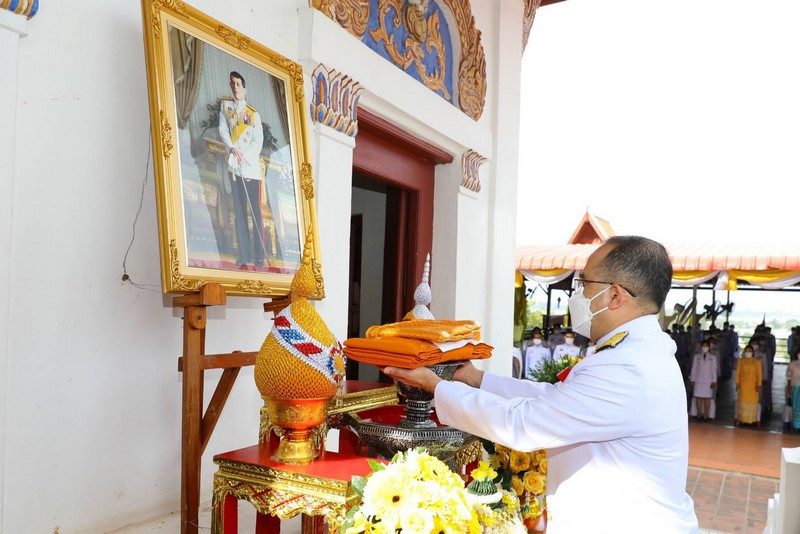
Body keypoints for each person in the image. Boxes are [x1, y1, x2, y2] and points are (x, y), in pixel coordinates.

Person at [385, 236, 698, 532]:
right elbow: (556, 399)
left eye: (584, 284)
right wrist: (475, 379)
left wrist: (434, 385)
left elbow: (524, 424)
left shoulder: (626, 367)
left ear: (615, 296)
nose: (577, 295)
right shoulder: (637, 352)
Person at [218, 71, 266, 267]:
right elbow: (223, 129)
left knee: (254, 212)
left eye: (238, 84)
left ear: (244, 89)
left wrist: (244, 157)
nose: (235, 87)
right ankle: (245, 255)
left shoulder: (253, 114)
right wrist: (232, 148)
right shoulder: (226, 107)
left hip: (250, 169)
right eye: (233, 84)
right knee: (239, 212)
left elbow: (258, 141)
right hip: (234, 167)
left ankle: (259, 255)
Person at [734, 345, 762, 426]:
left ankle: (751, 420)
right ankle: (741, 419)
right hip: (743, 386)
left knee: (752, 403)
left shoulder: (757, 362)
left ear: (753, 352)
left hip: (753, 386)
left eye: (750, 351)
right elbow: (737, 373)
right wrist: (737, 383)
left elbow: (759, 374)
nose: (748, 352)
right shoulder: (741, 361)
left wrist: (759, 384)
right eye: (746, 351)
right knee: (742, 402)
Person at [690, 341, 717, 420]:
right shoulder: (696, 356)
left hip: (709, 380)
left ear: (709, 347)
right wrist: (692, 379)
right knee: (698, 397)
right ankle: (699, 414)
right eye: (703, 346)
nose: (705, 347)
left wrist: (714, 381)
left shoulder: (713, 357)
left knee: (707, 398)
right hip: (698, 380)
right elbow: (694, 368)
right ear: (701, 347)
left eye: (706, 346)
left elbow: (714, 370)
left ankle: (705, 415)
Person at [787, 350, 800, 431]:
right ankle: (796, 425)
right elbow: (789, 376)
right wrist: (789, 387)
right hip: (795, 387)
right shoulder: (792, 364)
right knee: (796, 406)